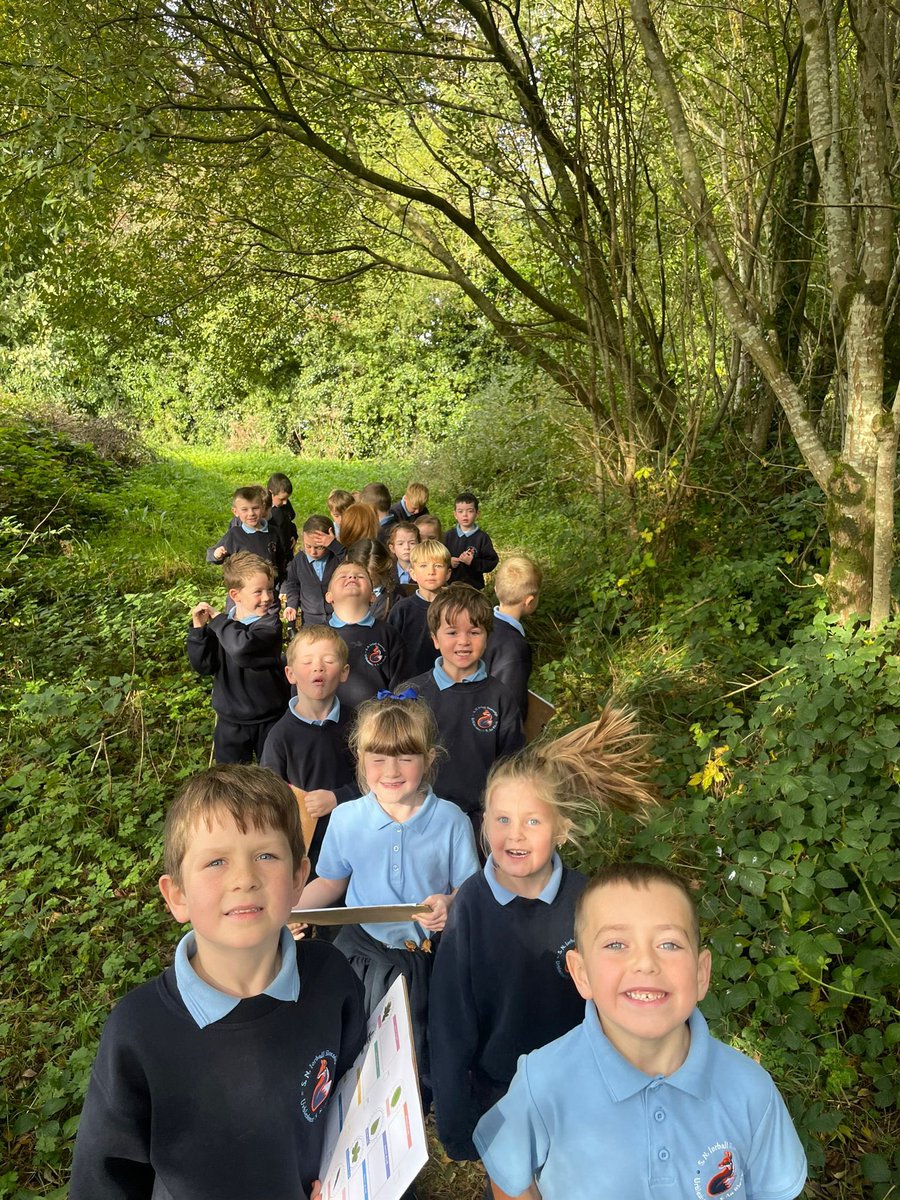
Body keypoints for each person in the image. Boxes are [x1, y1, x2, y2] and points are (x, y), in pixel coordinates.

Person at [69, 764, 367, 1200]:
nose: (244, 879)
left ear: (300, 876)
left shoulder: (331, 977)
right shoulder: (138, 1032)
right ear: (178, 895)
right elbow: (105, 1182)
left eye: (266, 855)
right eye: (215, 862)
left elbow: (358, 1098)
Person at [473, 863, 808, 1200]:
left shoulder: (751, 1090)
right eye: (617, 944)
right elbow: (509, 1175)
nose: (645, 962)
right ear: (581, 973)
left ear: (701, 974)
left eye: (669, 944)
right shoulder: (541, 1082)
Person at [429, 706, 658, 1163]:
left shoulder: (589, 904)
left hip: (580, 1093)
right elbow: (449, 1023)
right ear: (483, 822)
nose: (515, 835)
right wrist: (456, 1124)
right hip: (502, 1093)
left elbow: (620, 1004)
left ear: (562, 829)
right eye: (501, 820)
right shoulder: (471, 905)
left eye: (532, 821)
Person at [297, 696, 480, 1100]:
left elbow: (470, 887)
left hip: (424, 955)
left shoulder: (451, 820)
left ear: (429, 758)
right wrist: (296, 911)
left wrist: (450, 904)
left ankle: (408, 1107)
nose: (391, 771)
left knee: (414, 1043)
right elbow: (330, 881)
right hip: (362, 949)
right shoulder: (347, 818)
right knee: (353, 1033)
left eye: (405, 758)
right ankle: (352, 1099)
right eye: (377, 759)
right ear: (360, 760)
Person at [406, 584, 523, 821]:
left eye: (474, 632)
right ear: (435, 639)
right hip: (421, 816)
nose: (463, 641)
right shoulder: (412, 695)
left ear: (487, 637)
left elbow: (512, 764)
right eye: (452, 632)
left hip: (479, 818)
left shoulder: (500, 697)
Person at [260, 625, 357, 872]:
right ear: (290, 674)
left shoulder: (358, 725)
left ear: (344, 672)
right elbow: (268, 797)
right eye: (307, 662)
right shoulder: (280, 735)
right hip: (306, 850)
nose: (318, 667)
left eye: (328, 660)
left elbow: (378, 781)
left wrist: (337, 797)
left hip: (356, 838)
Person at [187, 553, 289, 763]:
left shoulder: (269, 625)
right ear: (236, 595)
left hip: (270, 719)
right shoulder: (223, 625)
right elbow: (205, 666)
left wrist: (218, 621)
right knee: (231, 780)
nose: (267, 597)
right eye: (258, 592)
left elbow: (243, 648)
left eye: (270, 589)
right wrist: (199, 631)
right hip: (230, 722)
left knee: (273, 777)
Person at [325, 561, 403, 710]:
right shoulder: (315, 637)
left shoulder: (388, 635)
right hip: (327, 725)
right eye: (343, 576)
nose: (352, 577)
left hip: (375, 725)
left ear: (373, 596)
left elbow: (400, 689)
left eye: (360, 576)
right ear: (329, 596)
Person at [483, 555, 543, 718]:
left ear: (496, 589)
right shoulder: (515, 647)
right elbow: (512, 702)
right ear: (529, 601)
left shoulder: (481, 624)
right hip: (496, 726)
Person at [388, 538, 452, 679]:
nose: (431, 571)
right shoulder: (402, 610)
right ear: (413, 573)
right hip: (409, 683)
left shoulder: (455, 608)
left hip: (448, 681)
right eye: (423, 566)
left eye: (438, 565)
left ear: (448, 573)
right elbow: (391, 650)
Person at [206, 485, 290, 585]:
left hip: (268, 591)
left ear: (263, 507)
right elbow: (211, 554)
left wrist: (283, 586)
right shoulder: (234, 535)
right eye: (244, 509)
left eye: (255, 508)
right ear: (235, 511)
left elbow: (283, 562)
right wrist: (217, 554)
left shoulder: (274, 533)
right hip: (242, 592)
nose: (251, 513)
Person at [283, 514, 343, 628]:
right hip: (310, 620)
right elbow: (292, 585)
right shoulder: (299, 560)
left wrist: (335, 546)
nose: (312, 552)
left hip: (337, 617)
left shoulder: (337, 558)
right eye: (308, 546)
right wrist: (291, 605)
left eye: (319, 547)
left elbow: (354, 564)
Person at [443, 492, 498, 590]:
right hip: (450, 587)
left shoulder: (482, 538)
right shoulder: (448, 536)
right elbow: (438, 557)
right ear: (455, 514)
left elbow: (491, 562)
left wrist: (473, 562)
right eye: (460, 511)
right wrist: (448, 562)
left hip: (474, 587)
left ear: (477, 513)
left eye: (470, 511)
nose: (465, 515)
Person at [345, 536, 401, 620]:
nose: (366, 583)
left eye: (371, 579)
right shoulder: (344, 591)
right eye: (360, 577)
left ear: (383, 570)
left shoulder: (394, 596)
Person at [267, 472, 298, 553]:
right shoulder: (264, 510)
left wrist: (294, 535)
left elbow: (290, 522)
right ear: (271, 493)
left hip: (287, 551)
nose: (285, 502)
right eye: (282, 499)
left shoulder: (285, 505)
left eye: (287, 499)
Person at [386, 520, 421, 589]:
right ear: (392, 548)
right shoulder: (386, 573)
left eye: (412, 543)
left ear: (419, 545)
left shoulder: (425, 572)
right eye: (400, 544)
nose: (407, 547)